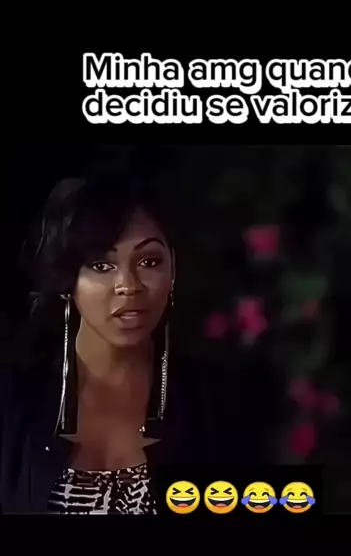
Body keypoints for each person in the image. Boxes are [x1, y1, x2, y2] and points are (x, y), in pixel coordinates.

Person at [0, 164, 273, 514]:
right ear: (68, 278)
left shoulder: (219, 405)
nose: (128, 286)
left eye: (149, 261)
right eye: (102, 265)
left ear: (172, 270)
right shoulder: (13, 403)